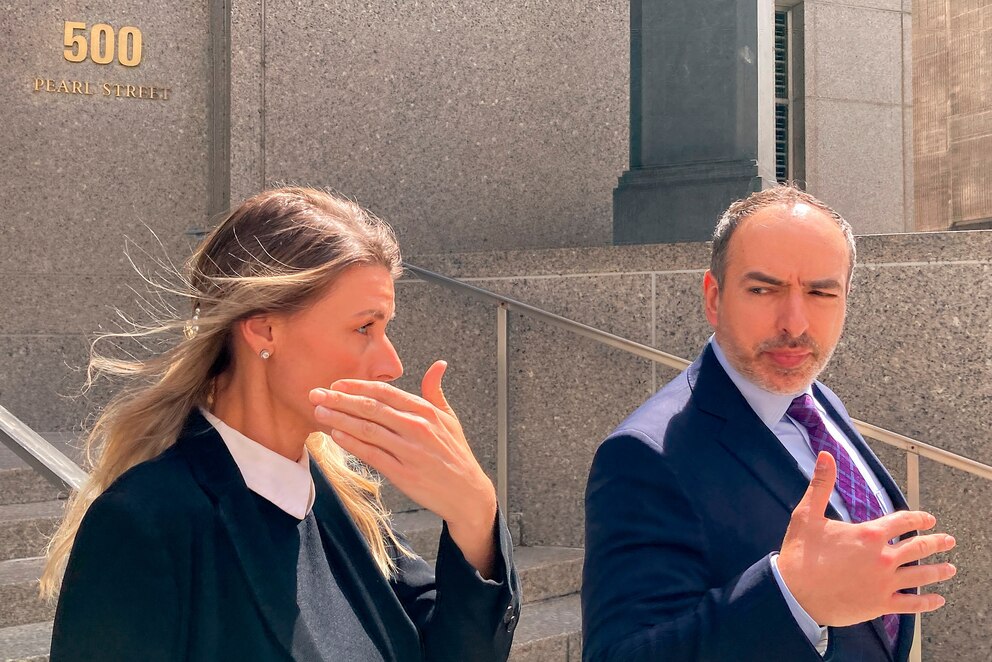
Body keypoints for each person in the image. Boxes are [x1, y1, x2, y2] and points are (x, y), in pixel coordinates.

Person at [43, 187, 521, 661]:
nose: (391, 364)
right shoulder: (147, 520)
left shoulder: (343, 505)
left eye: (385, 328)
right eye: (364, 328)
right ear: (264, 329)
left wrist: (474, 512)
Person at [581, 185, 957, 662]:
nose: (795, 323)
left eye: (821, 292)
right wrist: (790, 600)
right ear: (714, 298)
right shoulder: (644, 455)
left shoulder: (818, 401)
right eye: (763, 289)